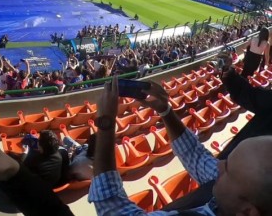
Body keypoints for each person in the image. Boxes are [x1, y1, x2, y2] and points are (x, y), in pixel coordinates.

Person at [89, 75, 272, 215]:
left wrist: (106, 122)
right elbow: (197, 156)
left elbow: (112, 207)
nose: (219, 164)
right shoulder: (236, 197)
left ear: (248, 212)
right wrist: (164, 110)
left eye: (228, 169)